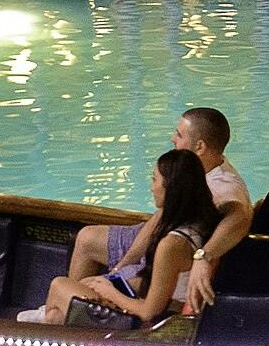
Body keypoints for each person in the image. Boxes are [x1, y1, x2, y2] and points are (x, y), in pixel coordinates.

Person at [59, 107, 253, 314]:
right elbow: (158, 220)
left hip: (171, 250)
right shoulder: (192, 170)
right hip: (160, 238)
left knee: (62, 285)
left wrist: (203, 256)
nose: (173, 139)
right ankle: (67, 308)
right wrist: (120, 268)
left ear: (200, 146)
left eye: (179, 135)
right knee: (87, 237)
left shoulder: (224, 187)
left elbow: (240, 216)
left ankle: (72, 311)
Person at [24, 148, 223, 327]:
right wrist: (110, 281)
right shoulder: (201, 219)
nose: (151, 187)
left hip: (149, 326)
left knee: (59, 286)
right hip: (160, 307)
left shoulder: (172, 244)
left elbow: (149, 312)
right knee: (58, 313)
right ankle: (49, 323)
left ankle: (42, 327)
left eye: (154, 180)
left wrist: (111, 293)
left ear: (171, 188)